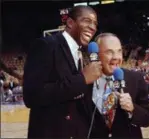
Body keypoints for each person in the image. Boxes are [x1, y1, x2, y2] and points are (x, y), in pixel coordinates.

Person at [23, 5, 102, 138]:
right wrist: (82, 79)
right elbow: (32, 96)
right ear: (70, 23)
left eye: (95, 23)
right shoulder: (46, 45)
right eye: (87, 21)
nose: (93, 27)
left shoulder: (81, 54)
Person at [89, 33, 149, 138]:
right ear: (97, 54)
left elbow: (148, 119)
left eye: (119, 51)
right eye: (109, 52)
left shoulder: (135, 78)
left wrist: (133, 109)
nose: (116, 57)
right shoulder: (86, 80)